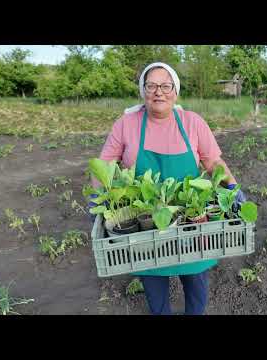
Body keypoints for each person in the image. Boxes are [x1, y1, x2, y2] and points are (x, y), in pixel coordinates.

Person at [89, 62, 245, 315]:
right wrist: (99, 197)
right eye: (151, 85)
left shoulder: (192, 122)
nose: (158, 91)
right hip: (145, 220)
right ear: (143, 91)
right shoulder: (126, 124)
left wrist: (233, 187)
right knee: (153, 281)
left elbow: (213, 162)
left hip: (191, 218)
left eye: (165, 85)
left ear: (175, 91)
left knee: (196, 279)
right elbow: (104, 165)